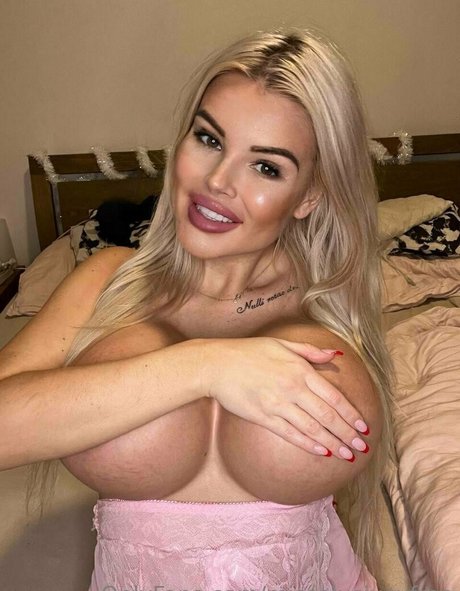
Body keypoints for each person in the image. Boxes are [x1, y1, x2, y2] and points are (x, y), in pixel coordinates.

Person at [0, 28, 393, 590]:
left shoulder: (333, 306)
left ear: (310, 195)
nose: (216, 182)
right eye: (209, 139)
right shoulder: (108, 280)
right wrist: (207, 366)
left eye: (266, 167)